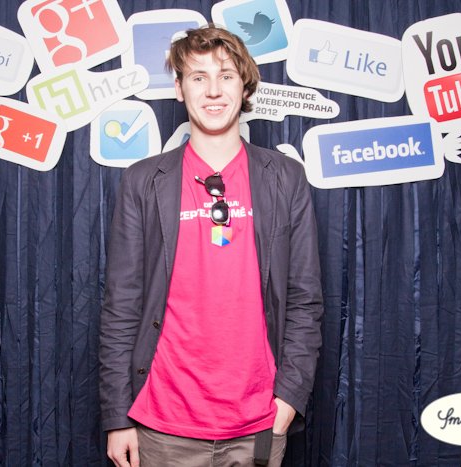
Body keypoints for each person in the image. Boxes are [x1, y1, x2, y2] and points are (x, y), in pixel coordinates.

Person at [99, 24, 323, 467]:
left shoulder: (285, 178)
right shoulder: (143, 181)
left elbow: (304, 300)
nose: (213, 90)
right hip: (162, 425)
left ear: (245, 87)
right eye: (198, 77)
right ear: (179, 88)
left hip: (260, 424)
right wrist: (116, 416)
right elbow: (121, 306)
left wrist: (288, 400)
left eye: (226, 76)